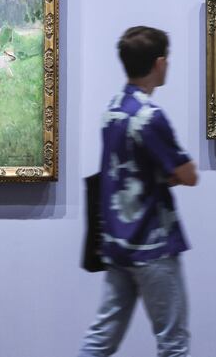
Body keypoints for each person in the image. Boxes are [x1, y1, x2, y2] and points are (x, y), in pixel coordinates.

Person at [78, 26, 198, 357]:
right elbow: (189, 175)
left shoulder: (113, 109)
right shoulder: (150, 116)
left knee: (101, 337)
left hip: (117, 242)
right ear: (159, 63)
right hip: (153, 243)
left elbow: (125, 165)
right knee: (173, 342)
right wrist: (167, 175)